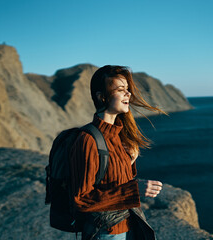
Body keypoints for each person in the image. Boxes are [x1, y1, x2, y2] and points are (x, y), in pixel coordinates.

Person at [69, 65, 165, 240]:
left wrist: (129, 161)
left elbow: (113, 183)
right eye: (121, 90)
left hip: (129, 227)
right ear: (102, 97)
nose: (128, 94)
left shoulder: (119, 137)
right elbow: (81, 199)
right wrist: (134, 190)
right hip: (106, 233)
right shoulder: (88, 139)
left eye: (127, 89)